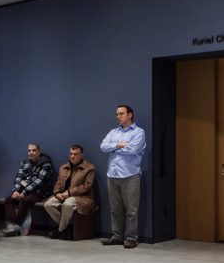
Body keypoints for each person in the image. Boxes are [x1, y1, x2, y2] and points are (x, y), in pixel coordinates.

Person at [100, 104, 147, 249]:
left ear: (130, 115)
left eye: (121, 113)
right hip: (112, 175)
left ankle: (131, 238)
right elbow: (103, 146)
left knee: (131, 210)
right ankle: (117, 236)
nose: (118, 116)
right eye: (117, 114)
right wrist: (120, 144)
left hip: (130, 175)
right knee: (115, 209)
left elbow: (133, 149)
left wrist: (114, 147)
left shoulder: (139, 132)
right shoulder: (113, 132)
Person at [44, 144, 96, 240]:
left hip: (81, 198)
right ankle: (66, 228)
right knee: (48, 204)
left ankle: (59, 230)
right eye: (70, 154)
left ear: (81, 155)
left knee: (67, 205)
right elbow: (58, 183)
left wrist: (69, 193)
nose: (72, 156)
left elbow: (86, 186)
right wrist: (57, 193)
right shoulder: (63, 167)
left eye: (75, 154)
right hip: (63, 195)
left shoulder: (89, 168)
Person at [2, 143, 54, 237]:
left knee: (25, 200)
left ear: (39, 152)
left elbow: (39, 182)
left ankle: (15, 225)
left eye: (34, 150)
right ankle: (13, 225)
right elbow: (19, 177)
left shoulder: (46, 164)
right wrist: (16, 190)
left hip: (40, 192)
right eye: (29, 150)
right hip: (24, 190)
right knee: (8, 200)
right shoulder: (25, 162)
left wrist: (24, 193)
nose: (31, 153)